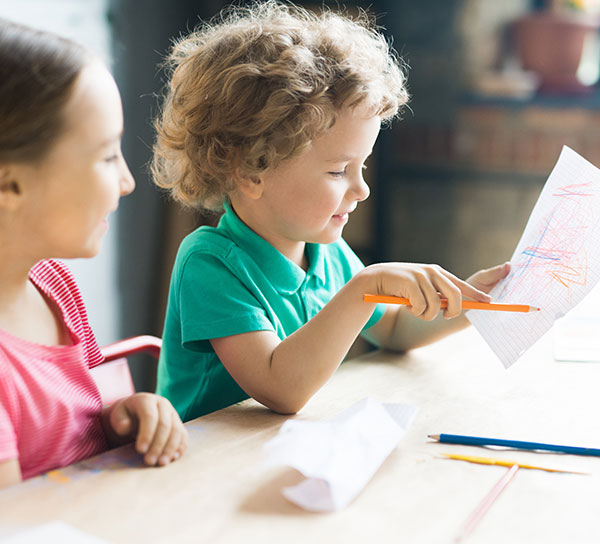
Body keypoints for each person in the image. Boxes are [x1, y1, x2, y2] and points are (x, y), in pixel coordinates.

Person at [151, 1, 510, 420]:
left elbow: (391, 328)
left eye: (361, 166)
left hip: (271, 455)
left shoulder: (326, 254)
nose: (361, 189)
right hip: (201, 469)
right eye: (339, 170)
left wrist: (470, 304)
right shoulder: (210, 264)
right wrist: (362, 287)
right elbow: (280, 387)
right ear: (252, 169)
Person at [0, 19, 188, 488]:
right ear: (9, 184)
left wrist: (122, 415)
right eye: (107, 156)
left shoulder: (54, 285)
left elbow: (76, 426)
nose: (127, 181)